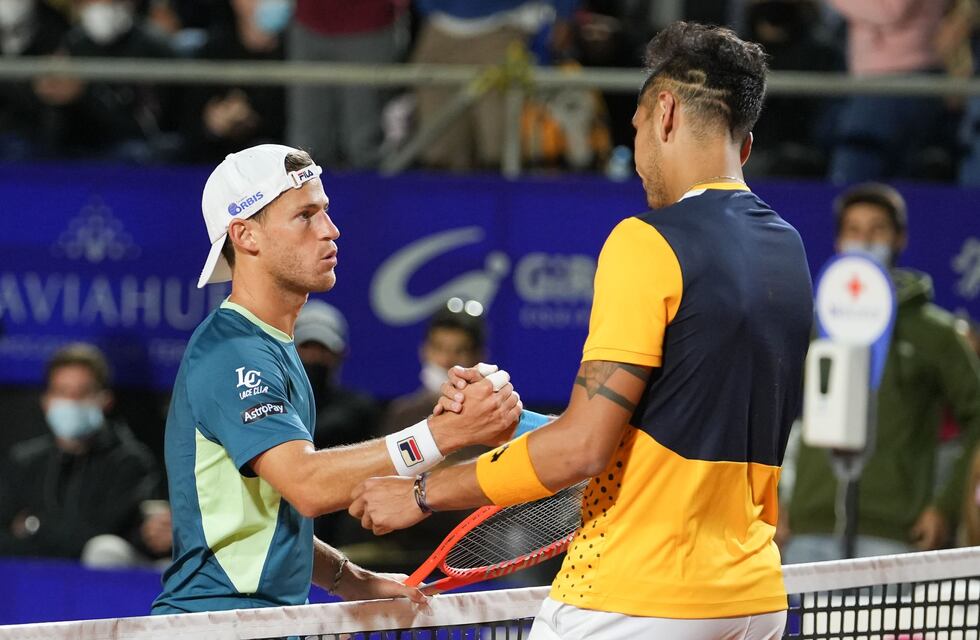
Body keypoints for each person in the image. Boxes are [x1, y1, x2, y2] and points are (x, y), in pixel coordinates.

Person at [351, 22, 813, 639]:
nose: (638, 157)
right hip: (751, 603)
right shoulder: (787, 248)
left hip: (637, 598)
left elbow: (582, 450)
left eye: (636, 129)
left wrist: (421, 493)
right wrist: (514, 424)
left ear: (665, 113)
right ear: (746, 145)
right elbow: (659, 434)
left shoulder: (645, 241)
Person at [152, 144, 522, 614]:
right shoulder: (233, 353)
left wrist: (351, 579)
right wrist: (444, 434)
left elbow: (268, 523)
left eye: (324, 211)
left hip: (258, 619)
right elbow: (307, 486)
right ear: (246, 235)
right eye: (305, 216)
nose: (330, 229)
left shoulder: (270, 346)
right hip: (215, 622)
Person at [780, 183, 980, 562]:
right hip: (807, 529)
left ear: (900, 238)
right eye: (854, 230)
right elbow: (768, 413)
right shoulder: (812, 325)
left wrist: (946, 505)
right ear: (839, 241)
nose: (866, 240)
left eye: (878, 229)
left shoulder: (933, 332)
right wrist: (772, 498)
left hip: (894, 534)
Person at [0, 343, 166, 564]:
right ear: (46, 401)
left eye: (82, 393)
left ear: (105, 400)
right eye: (62, 392)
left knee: (105, 550)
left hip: (99, 579)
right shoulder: (24, 461)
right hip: (29, 577)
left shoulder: (130, 463)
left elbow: (95, 533)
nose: (71, 401)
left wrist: (33, 525)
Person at [292, 299, 383, 543]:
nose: (314, 357)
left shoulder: (358, 410)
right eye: (306, 347)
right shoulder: (271, 408)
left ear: (340, 354)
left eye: (323, 349)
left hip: (343, 540)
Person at [381, 300, 487, 434]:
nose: (446, 360)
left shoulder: (491, 416)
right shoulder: (402, 414)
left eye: (460, 351)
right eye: (438, 347)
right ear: (424, 350)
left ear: (479, 356)